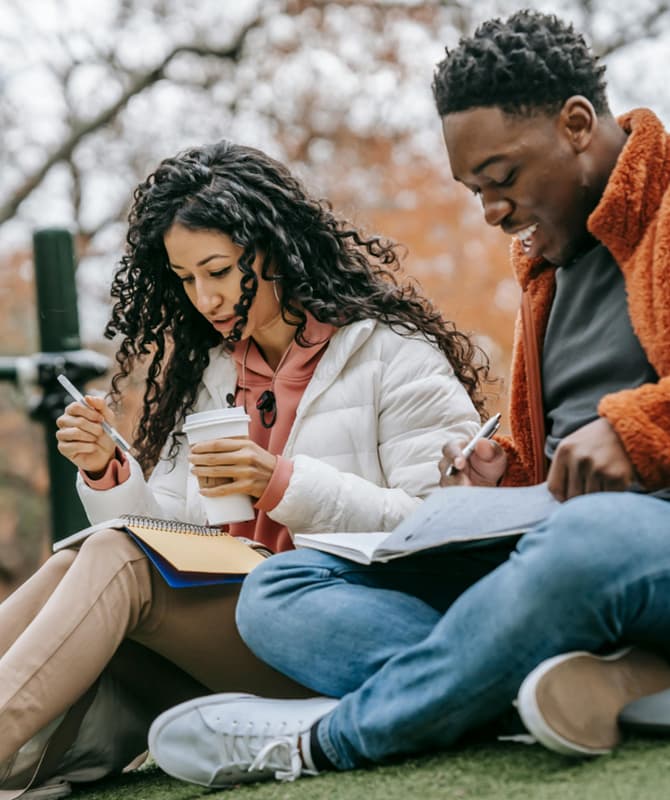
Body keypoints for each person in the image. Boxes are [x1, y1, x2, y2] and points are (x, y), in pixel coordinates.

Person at [146, 10, 670, 788]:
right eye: (474, 190)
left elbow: (613, 444)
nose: (491, 212)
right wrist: (501, 471)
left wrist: (635, 429)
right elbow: (551, 462)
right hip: (548, 545)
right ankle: (571, 684)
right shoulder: (547, 272)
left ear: (576, 123)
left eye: (502, 179)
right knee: (280, 589)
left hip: (626, 542)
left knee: (589, 535)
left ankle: (329, 739)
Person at [0, 141, 487, 798]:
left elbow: (440, 526)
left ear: (274, 246)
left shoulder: (392, 356)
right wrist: (109, 472)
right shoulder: (211, 375)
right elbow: (161, 533)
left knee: (116, 559)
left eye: (219, 270)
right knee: (75, 562)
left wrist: (280, 483)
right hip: (228, 636)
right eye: (185, 277)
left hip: (335, 640)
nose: (203, 296)